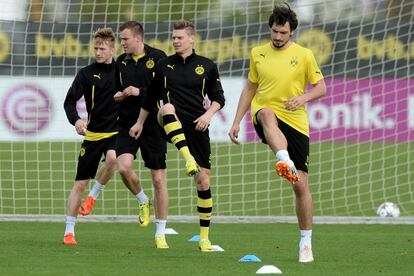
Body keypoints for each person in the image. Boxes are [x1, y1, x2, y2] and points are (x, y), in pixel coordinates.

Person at [228, 3, 326, 263]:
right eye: (274, 32)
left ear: (291, 32)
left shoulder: (304, 55)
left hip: (295, 120)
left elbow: (321, 87)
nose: (277, 37)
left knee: (301, 186)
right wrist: (237, 120)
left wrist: (303, 98)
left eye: (283, 33)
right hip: (266, 112)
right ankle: (283, 160)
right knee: (266, 114)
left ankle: (306, 242)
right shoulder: (257, 53)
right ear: (270, 29)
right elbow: (250, 88)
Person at [130, 19, 225, 252]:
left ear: (192, 39)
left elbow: (219, 99)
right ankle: (187, 158)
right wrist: (140, 123)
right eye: (173, 37)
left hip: (197, 126)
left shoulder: (207, 66)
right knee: (167, 108)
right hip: (169, 122)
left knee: (203, 181)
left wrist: (208, 115)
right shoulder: (163, 65)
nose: (175, 41)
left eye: (180, 37)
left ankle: (204, 238)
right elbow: (150, 98)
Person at [78, 21, 170, 249]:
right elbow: (118, 88)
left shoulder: (158, 58)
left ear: (138, 38)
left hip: (152, 126)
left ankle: (160, 233)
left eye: (125, 39)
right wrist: (120, 95)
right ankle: (142, 200)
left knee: (158, 179)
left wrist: (138, 91)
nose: (121, 43)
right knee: (124, 167)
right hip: (127, 124)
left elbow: (165, 92)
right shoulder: (121, 61)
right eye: (120, 40)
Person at [62, 27, 118, 245]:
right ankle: (69, 230)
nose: (98, 52)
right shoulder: (85, 74)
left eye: (102, 48)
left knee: (113, 159)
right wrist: (76, 120)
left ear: (112, 49)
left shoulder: (122, 71)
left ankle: (93, 196)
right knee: (79, 184)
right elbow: (69, 101)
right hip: (93, 134)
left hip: (116, 131)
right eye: (95, 48)